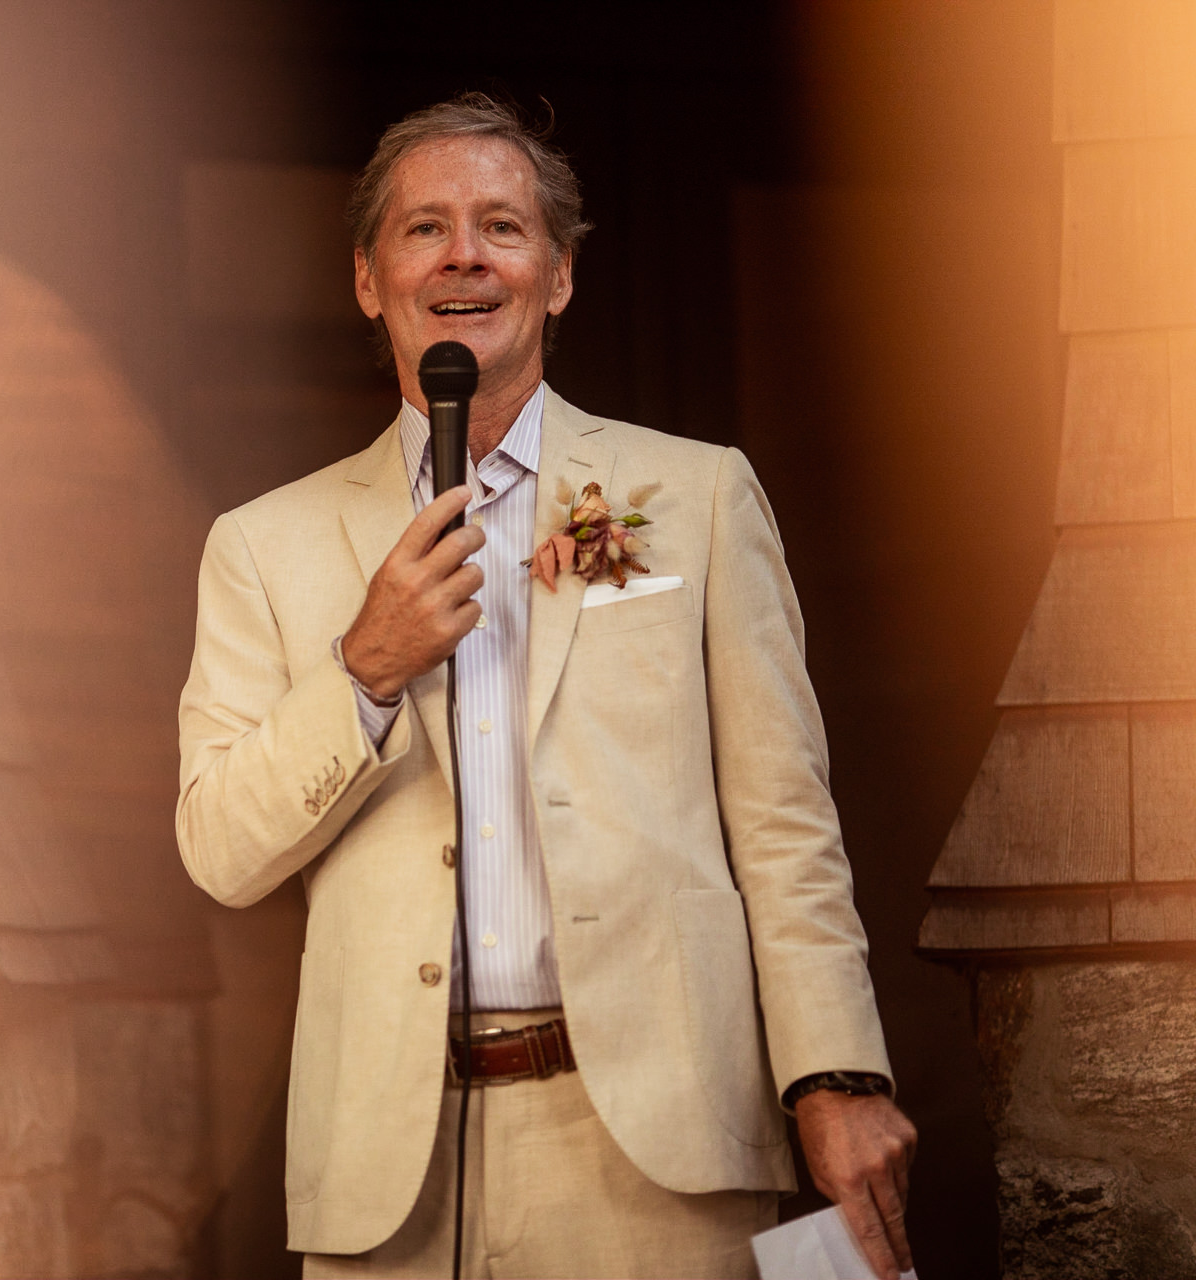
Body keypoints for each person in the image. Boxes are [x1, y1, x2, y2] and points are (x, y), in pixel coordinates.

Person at [175, 94, 916, 1279]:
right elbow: (218, 848)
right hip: (387, 1172)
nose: (463, 254)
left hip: (652, 1152)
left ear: (558, 277)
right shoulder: (263, 545)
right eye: (424, 229)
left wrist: (835, 1072)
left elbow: (785, 823)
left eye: (501, 228)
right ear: (370, 281)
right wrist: (364, 668)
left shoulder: (694, 496)